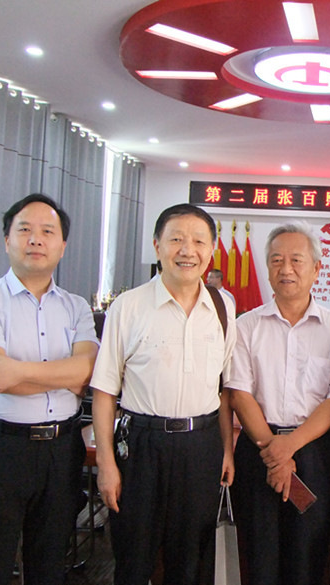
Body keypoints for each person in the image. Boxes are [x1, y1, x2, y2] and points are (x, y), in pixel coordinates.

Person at [0, 193, 99, 585]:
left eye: (47, 231)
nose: (36, 239)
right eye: (25, 230)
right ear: (7, 240)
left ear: (62, 246)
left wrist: (17, 370)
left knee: (50, 564)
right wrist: (64, 374)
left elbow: (86, 372)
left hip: (61, 450)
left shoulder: (76, 306)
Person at [90, 203, 236, 585]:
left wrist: (226, 449)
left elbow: (223, 388)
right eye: (176, 240)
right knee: (133, 557)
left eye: (199, 241)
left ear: (211, 249)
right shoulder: (129, 306)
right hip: (142, 446)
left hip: (201, 446)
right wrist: (106, 463)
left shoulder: (223, 307)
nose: (188, 250)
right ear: (157, 246)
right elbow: (104, 391)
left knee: (190, 561)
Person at [226, 222, 330, 585]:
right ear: (267, 269)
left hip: (314, 455)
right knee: (259, 556)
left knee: (308, 559)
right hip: (257, 452)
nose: (286, 269)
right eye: (277, 260)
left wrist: (288, 447)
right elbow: (240, 393)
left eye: (297, 259)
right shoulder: (246, 326)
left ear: (316, 268)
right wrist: (274, 452)